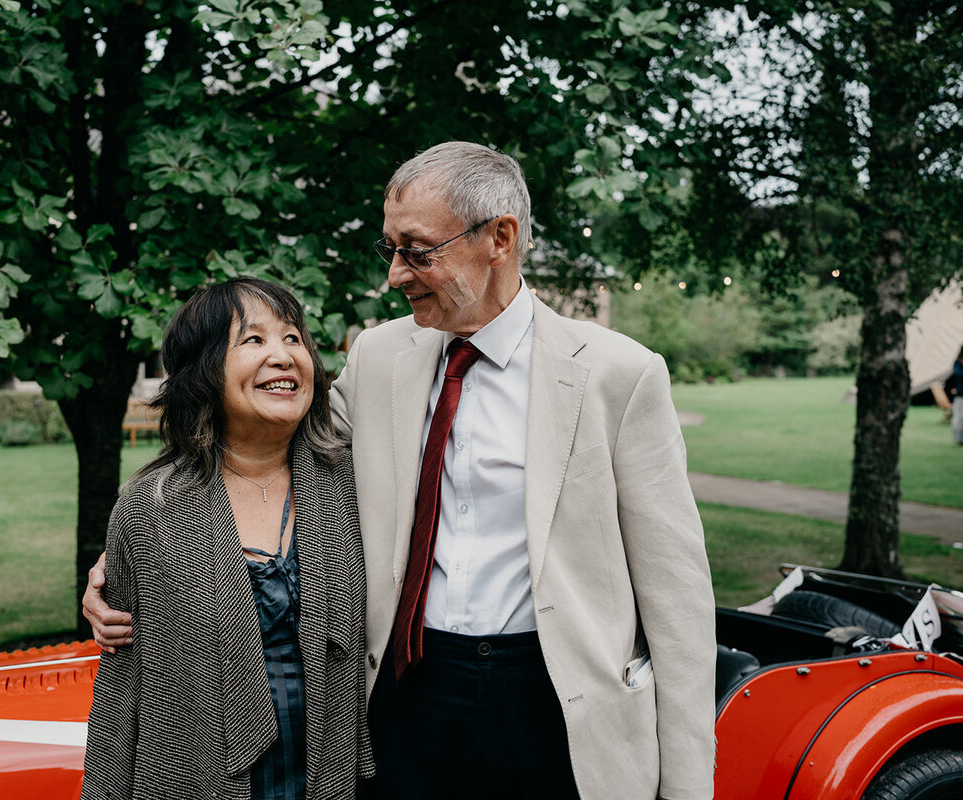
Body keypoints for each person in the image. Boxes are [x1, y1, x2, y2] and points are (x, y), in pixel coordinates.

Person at [86, 142, 717, 799]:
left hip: (557, 706)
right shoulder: (380, 356)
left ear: (499, 238)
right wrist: (129, 563)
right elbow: (263, 445)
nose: (395, 274)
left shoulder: (619, 374)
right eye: (389, 248)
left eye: (416, 250)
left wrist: (688, 787)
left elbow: (680, 604)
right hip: (405, 701)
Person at [80, 278, 373, 800]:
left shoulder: (356, 486)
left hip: (331, 776)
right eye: (254, 340)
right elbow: (122, 689)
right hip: (197, 778)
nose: (283, 356)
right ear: (205, 370)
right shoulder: (152, 509)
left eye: (293, 338)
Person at [948, 344, 963, 444]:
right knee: (958, 417)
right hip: (960, 394)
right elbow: (958, 375)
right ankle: (958, 437)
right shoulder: (957, 363)